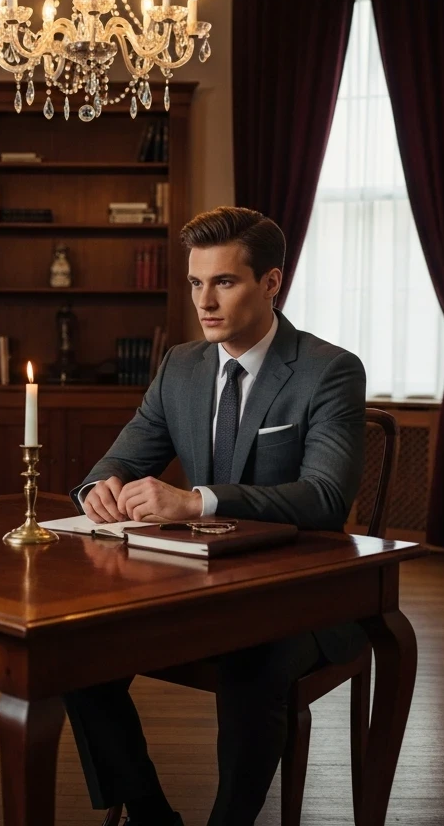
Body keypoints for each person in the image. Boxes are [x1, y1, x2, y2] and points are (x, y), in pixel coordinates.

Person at [65, 206, 368, 826]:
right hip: (195, 591)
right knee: (71, 648)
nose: (205, 300)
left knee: (255, 660)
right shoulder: (182, 366)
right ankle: (151, 816)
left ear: (272, 283)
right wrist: (99, 489)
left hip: (300, 597)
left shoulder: (328, 371)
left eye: (224, 282)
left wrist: (197, 500)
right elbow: (118, 459)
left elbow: (324, 498)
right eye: (197, 283)